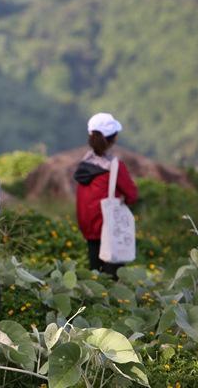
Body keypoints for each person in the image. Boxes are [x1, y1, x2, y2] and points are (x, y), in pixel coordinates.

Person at [73, 112, 138, 278]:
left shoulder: (84, 163)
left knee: (94, 272)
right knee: (112, 276)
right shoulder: (114, 166)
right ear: (113, 138)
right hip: (107, 226)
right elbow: (132, 194)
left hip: (87, 225)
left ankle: (90, 303)